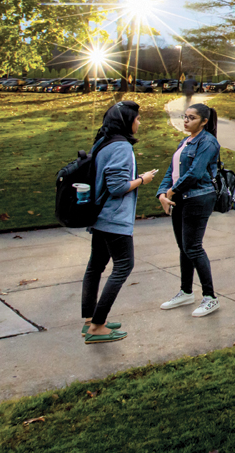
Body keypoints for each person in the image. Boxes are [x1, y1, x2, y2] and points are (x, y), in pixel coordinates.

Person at [80, 101, 159, 344]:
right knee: (124, 266)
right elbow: (117, 187)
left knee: (96, 266)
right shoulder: (121, 147)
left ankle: (90, 319)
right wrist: (142, 180)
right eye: (136, 118)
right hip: (114, 217)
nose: (139, 122)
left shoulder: (103, 142)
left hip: (100, 216)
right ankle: (97, 326)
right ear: (126, 121)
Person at [157, 102, 221, 317]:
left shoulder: (208, 142)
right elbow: (171, 170)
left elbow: (194, 174)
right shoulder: (185, 141)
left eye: (192, 118)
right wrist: (162, 193)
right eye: (185, 116)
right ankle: (186, 292)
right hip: (180, 198)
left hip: (198, 198)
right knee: (184, 248)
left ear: (204, 121)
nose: (186, 120)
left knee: (193, 247)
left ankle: (210, 298)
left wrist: (171, 193)